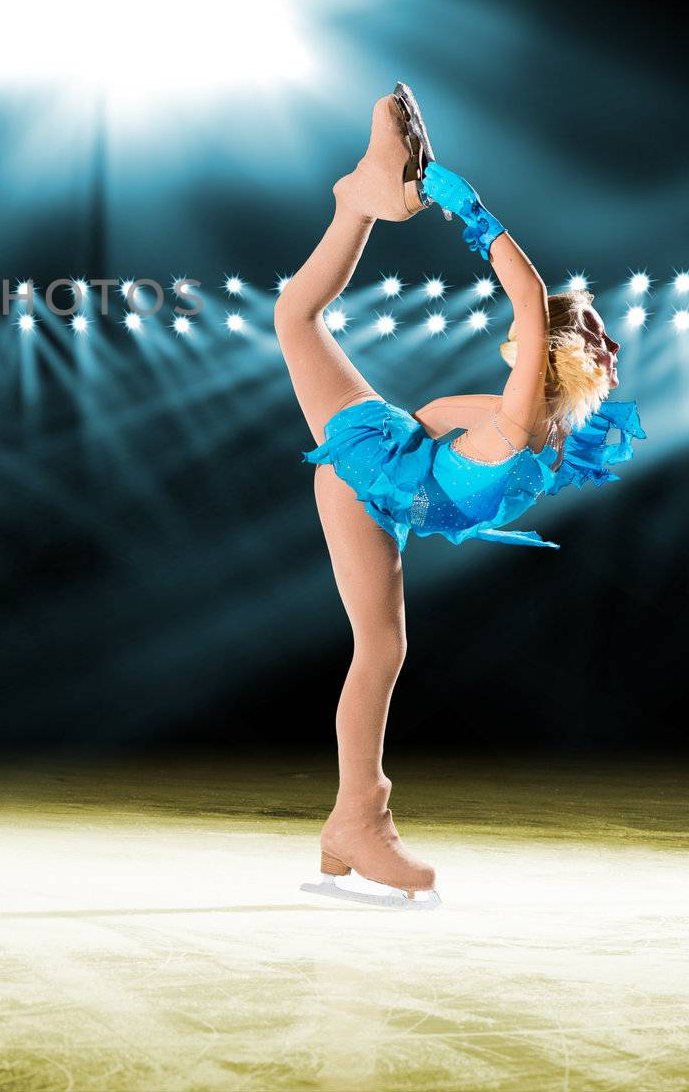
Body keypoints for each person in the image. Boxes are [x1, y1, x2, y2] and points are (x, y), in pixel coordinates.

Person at [273, 84, 644, 908]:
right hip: (379, 470)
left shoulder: (539, 426)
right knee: (297, 321)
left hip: (391, 475)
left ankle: (353, 824)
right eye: (587, 335)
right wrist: (450, 196)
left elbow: (505, 334)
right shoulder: (524, 419)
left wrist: (460, 203)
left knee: (383, 648)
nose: (608, 345)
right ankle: (359, 821)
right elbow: (526, 303)